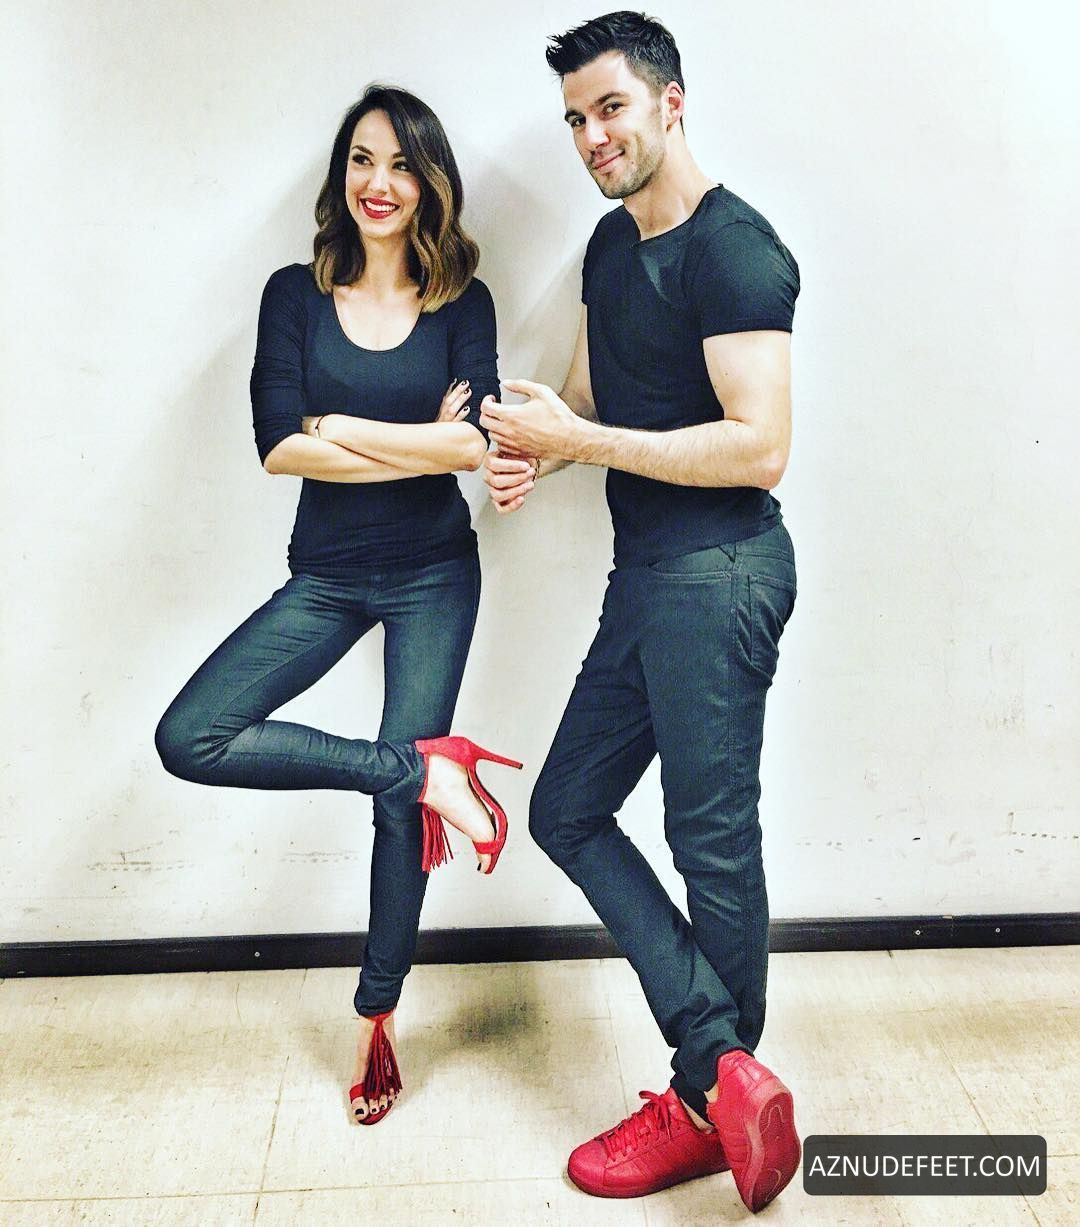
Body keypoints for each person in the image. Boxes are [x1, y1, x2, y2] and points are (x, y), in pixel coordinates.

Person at [481, 12, 801, 1213]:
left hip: (720, 572)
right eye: (575, 118)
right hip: (650, 576)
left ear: (672, 102)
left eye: (610, 107)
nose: (591, 136)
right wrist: (535, 444)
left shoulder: (736, 250)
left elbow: (760, 446)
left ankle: (708, 1104)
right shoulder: (612, 248)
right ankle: (724, 1069)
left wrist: (585, 438)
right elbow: (586, 402)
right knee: (566, 807)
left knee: (710, 842)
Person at [155, 85, 520, 1129]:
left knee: (396, 820)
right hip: (325, 574)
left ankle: (378, 1016)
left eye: (401, 163)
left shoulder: (464, 301)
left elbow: (472, 447)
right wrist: (412, 443)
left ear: (430, 182)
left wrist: (340, 424)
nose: (379, 182)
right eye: (362, 159)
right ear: (341, 173)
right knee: (193, 734)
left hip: (435, 573)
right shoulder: (294, 295)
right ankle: (422, 769)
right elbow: (277, 449)